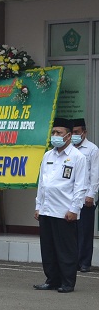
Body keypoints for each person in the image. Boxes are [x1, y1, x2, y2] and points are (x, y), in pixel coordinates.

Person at [34, 118, 88, 293]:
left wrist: (74, 209)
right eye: (53, 132)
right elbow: (42, 184)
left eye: (59, 133)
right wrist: (38, 206)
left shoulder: (78, 157)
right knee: (48, 248)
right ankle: (51, 280)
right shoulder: (48, 155)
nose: (55, 136)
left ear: (69, 136)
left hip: (65, 211)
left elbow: (81, 186)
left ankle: (67, 282)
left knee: (66, 249)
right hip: (47, 209)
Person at [71, 118, 99, 272]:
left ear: (84, 132)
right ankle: (73, 261)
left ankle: (85, 262)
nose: (75, 135)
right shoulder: (69, 149)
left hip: (86, 198)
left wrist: (91, 194)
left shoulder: (92, 149)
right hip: (71, 198)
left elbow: (95, 174)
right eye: (72, 132)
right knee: (72, 232)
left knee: (85, 232)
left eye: (77, 132)